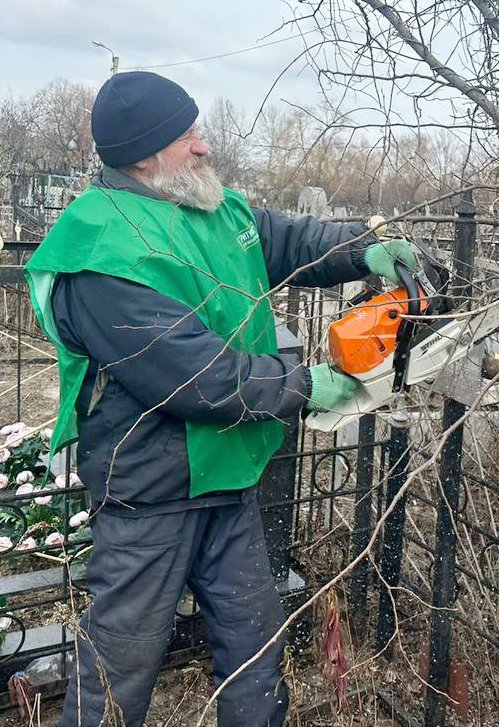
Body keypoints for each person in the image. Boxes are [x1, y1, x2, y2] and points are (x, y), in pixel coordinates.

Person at [24, 71, 418, 727]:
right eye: (187, 136)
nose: (203, 147)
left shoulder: (205, 205)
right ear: (145, 153)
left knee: (255, 652)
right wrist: (305, 384)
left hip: (229, 480)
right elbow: (199, 377)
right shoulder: (101, 252)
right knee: (117, 676)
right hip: (150, 496)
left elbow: (288, 238)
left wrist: (367, 249)